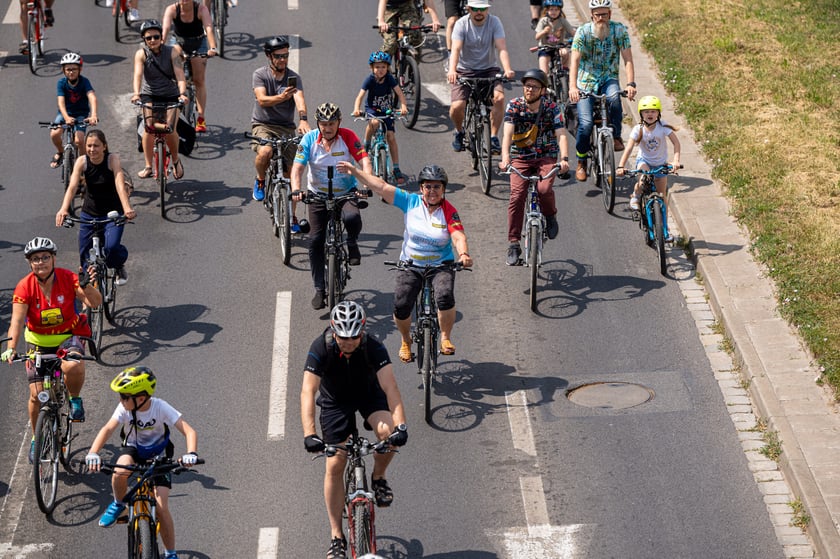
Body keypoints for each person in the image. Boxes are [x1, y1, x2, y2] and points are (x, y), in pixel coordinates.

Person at [300, 301, 408, 559]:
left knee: (388, 433)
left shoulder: (374, 347)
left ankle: (378, 477)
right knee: (335, 463)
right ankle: (336, 535)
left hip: (368, 395)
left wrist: (401, 425)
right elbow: (308, 390)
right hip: (335, 401)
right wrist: (309, 433)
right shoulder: (320, 347)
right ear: (333, 331)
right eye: (342, 337)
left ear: (362, 331)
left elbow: (390, 387)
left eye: (354, 337)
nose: (348, 342)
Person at [338, 161, 472, 360]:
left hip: (440, 265)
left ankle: (445, 337)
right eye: (428, 186)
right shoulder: (410, 201)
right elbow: (381, 187)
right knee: (401, 304)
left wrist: (463, 254)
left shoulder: (449, 210)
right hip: (410, 264)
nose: (432, 191)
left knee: (444, 296)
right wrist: (355, 172)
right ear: (421, 188)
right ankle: (405, 340)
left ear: (443, 189)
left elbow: (458, 236)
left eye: (437, 186)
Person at [1, 237, 101, 463]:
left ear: (53, 258)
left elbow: (95, 303)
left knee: (73, 364)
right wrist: (10, 348)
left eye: (45, 257)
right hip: (37, 341)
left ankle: (74, 399)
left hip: (68, 337)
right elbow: (16, 321)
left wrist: (86, 286)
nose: (41, 262)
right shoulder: (24, 286)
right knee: (36, 396)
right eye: (35, 259)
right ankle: (37, 437)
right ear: (30, 263)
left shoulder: (68, 278)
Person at [85, 367, 199, 559]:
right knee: (119, 472)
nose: (121, 400)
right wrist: (93, 453)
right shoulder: (124, 408)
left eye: (124, 396)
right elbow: (107, 429)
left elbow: (189, 431)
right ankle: (118, 503)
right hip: (134, 450)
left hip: (159, 454)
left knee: (162, 508)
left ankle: (170, 553)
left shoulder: (160, 407)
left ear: (140, 398)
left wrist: (191, 454)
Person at [291, 103, 372, 310]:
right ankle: (320, 288)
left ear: (339, 123)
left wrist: (366, 183)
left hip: (345, 193)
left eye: (332, 124)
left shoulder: (348, 136)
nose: (327, 128)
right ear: (318, 123)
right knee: (315, 241)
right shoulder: (308, 139)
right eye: (323, 124)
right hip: (317, 195)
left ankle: (352, 243)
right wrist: (297, 190)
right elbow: (297, 168)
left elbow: (364, 160)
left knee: (352, 218)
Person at [499, 69, 570, 265]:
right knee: (516, 195)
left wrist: (564, 159)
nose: (529, 90)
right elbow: (507, 134)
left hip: (546, 156)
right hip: (520, 157)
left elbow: (561, 134)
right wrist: (505, 158)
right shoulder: (514, 106)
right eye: (527, 86)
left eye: (534, 87)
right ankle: (513, 243)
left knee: (544, 188)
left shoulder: (552, 108)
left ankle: (550, 215)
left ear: (543, 90)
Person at [56, 129, 136, 284]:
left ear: (104, 146)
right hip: (89, 213)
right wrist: (63, 209)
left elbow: (119, 184)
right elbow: (72, 187)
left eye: (96, 146)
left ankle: (119, 265)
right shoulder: (82, 161)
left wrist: (126, 208)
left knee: (111, 248)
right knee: (84, 254)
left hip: (112, 213)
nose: (92, 149)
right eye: (89, 146)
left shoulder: (112, 160)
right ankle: (88, 297)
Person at [568, 0, 636, 181]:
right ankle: (581, 160)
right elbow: (574, 60)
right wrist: (573, 87)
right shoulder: (582, 32)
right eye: (597, 15)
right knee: (586, 123)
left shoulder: (619, 30)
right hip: (585, 82)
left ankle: (616, 136)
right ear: (591, 15)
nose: (600, 19)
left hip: (608, 78)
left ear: (610, 15)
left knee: (614, 98)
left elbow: (628, 59)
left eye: (604, 15)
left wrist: (631, 84)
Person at [447, 0, 515, 154]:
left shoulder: (495, 22)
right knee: (457, 106)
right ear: (469, 9)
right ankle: (459, 132)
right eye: (475, 9)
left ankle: (493, 137)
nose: (479, 12)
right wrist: (452, 70)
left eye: (482, 9)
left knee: (499, 99)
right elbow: (456, 49)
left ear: (487, 9)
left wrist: (508, 69)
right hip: (465, 70)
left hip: (489, 69)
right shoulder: (461, 24)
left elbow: (501, 48)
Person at [251, 35, 310, 203]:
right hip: (263, 125)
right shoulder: (260, 75)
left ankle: (291, 217)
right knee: (266, 151)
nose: (283, 59)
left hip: (286, 127)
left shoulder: (294, 78)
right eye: (278, 56)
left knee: (293, 174)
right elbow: (262, 100)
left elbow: (299, 99)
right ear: (269, 56)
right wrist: (282, 97)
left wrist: (303, 120)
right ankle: (260, 180)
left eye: (285, 55)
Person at [131, 19, 188, 181]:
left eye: (156, 37)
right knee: (149, 128)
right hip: (150, 95)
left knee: (170, 128)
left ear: (161, 37)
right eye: (148, 38)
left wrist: (182, 94)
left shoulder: (173, 52)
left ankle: (176, 160)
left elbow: (180, 76)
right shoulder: (141, 54)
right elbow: (137, 75)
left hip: (171, 95)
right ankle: (149, 166)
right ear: (144, 40)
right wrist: (136, 93)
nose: (152, 40)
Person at [616, 95, 681, 236]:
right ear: (641, 114)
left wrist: (675, 161)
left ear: (658, 113)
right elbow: (629, 148)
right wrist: (621, 166)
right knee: (643, 179)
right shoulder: (638, 129)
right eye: (646, 112)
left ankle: (665, 228)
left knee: (662, 196)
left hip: (660, 164)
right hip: (644, 161)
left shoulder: (663, 127)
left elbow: (676, 143)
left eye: (653, 111)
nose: (650, 114)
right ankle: (636, 195)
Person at [352, 51, 409, 185]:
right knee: (375, 122)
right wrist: (356, 109)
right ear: (372, 68)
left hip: (387, 109)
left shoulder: (389, 79)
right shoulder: (370, 80)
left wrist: (404, 106)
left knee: (391, 137)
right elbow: (360, 96)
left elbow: (399, 93)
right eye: (377, 67)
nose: (380, 70)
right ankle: (366, 144)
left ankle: (396, 168)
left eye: (383, 67)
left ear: (387, 67)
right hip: (372, 109)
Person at [161, 0, 218, 133]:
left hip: (199, 43)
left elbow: (208, 28)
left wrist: (213, 47)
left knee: (199, 80)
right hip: (179, 43)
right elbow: (166, 29)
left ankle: (201, 118)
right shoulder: (172, 10)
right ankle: (172, 111)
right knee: (175, 73)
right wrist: (161, 46)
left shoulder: (201, 9)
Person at [48, 52, 99, 170]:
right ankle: (60, 152)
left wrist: (94, 114)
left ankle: (82, 165)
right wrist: (66, 118)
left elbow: (92, 97)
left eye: (74, 69)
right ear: (63, 70)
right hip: (65, 113)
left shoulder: (85, 82)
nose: (71, 72)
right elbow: (60, 102)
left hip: (81, 114)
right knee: (54, 133)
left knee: (80, 140)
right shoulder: (61, 83)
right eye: (68, 69)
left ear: (80, 69)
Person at [377, 0, 441, 57]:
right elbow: (383, 1)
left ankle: (413, 64)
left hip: (407, 6)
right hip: (388, 8)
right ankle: (382, 66)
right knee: (390, 44)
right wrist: (381, 21)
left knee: (416, 35)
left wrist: (435, 20)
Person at [534, 0, 575, 76]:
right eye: (551, 9)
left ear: (560, 11)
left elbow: (572, 32)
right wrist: (543, 31)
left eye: (556, 10)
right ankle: (546, 83)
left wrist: (578, 38)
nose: (554, 12)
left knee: (565, 52)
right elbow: (536, 37)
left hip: (559, 47)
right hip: (545, 47)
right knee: (543, 71)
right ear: (547, 10)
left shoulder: (562, 21)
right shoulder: (543, 21)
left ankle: (565, 71)